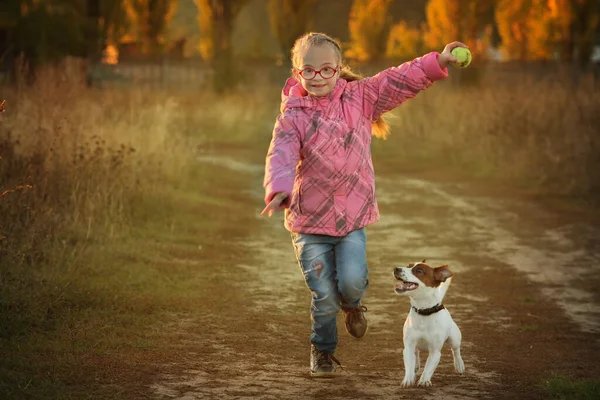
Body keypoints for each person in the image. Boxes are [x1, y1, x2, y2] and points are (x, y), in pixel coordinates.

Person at [261, 32, 467, 377]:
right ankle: (323, 350)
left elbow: (398, 79)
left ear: (339, 69)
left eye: (326, 70)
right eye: (308, 71)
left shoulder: (361, 97)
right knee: (323, 296)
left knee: (353, 281)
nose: (317, 78)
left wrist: (437, 62)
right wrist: (278, 189)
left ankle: (353, 307)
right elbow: (280, 155)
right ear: (297, 74)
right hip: (309, 224)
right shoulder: (292, 115)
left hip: (351, 219)